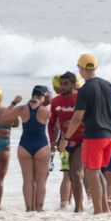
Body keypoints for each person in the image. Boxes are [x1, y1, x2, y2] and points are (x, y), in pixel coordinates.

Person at [59, 53, 111, 215]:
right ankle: (104, 208)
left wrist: (66, 138)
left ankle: (98, 211)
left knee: (92, 173)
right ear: (95, 67)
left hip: (95, 136)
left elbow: (77, 118)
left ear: (81, 68)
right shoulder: (109, 86)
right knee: (98, 172)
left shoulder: (84, 90)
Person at [2, 86, 51, 211]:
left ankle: (29, 208)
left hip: (24, 145)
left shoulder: (22, 108)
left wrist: (14, 102)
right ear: (42, 96)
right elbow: (59, 122)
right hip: (42, 145)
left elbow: (4, 116)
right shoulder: (45, 110)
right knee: (41, 180)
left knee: (27, 179)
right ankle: (39, 208)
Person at [49, 72, 85, 212]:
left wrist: (76, 122)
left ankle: (79, 207)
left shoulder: (80, 99)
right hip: (63, 144)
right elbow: (51, 123)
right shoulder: (56, 101)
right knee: (66, 173)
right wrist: (53, 141)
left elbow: (89, 118)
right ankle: (64, 204)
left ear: (73, 84)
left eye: (65, 84)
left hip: (81, 141)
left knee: (76, 173)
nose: (62, 87)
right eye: (61, 84)